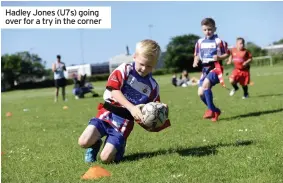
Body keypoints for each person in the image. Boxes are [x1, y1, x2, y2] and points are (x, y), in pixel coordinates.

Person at [78, 39, 171, 164]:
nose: (144, 68)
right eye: (141, 64)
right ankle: (95, 145)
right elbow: (114, 90)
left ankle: (119, 148)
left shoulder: (153, 86)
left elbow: (152, 111)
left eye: (149, 66)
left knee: (105, 159)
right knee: (83, 142)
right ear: (134, 57)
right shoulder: (124, 69)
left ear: (154, 64)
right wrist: (132, 108)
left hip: (124, 122)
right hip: (107, 113)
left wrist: (162, 111)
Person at [193, 18, 230, 122]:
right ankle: (215, 110)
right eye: (205, 30)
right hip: (205, 70)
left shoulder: (219, 41)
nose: (207, 32)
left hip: (215, 68)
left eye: (209, 29)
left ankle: (210, 110)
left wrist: (219, 57)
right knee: (200, 93)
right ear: (202, 30)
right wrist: (195, 61)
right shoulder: (199, 42)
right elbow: (196, 54)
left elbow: (227, 53)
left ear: (214, 29)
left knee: (205, 86)